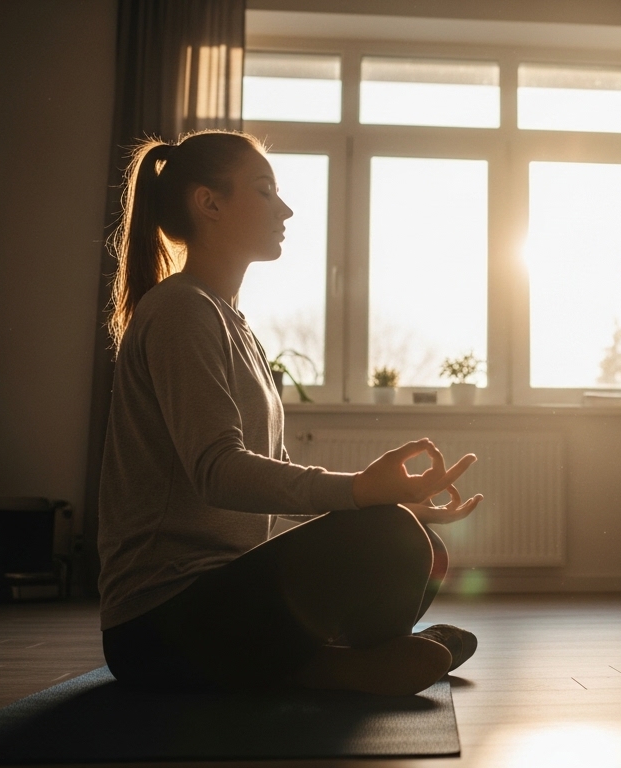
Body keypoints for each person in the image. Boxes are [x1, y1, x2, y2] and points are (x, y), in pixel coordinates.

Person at [96, 130, 481, 696]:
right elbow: (217, 471)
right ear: (210, 203)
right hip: (160, 627)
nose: (287, 209)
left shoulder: (232, 323)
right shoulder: (180, 310)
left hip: (222, 606)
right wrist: (358, 492)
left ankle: (322, 660)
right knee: (391, 538)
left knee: (420, 545)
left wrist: (392, 502)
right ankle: (322, 667)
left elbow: (268, 514)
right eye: (264, 190)